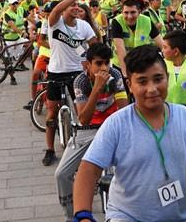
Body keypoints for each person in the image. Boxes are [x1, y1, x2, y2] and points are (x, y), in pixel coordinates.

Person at [72, 45, 186, 222]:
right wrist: (83, 216)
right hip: (128, 217)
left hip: (179, 216)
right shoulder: (116, 124)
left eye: (158, 79)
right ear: (130, 85)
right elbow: (88, 169)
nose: (152, 88)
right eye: (142, 81)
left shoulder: (185, 117)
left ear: (167, 78)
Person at [54, 43, 129, 221]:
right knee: (62, 174)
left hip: (112, 128)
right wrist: (96, 88)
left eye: (107, 63)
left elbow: (124, 109)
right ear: (88, 65)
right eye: (99, 63)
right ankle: (71, 216)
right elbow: (83, 119)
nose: (104, 68)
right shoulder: (81, 81)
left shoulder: (115, 75)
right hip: (87, 130)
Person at [43, 0, 98, 166]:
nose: (75, 8)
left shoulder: (83, 26)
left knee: (81, 112)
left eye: (77, 5)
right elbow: (57, 9)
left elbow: (94, 46)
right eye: (71, 5)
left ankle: (83, 145)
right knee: (52, 112)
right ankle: (49, 149)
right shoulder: (55, 23)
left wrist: (92, 65)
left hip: (77, 73)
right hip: (56, 72)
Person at [110, 0, 163, 79]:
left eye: (133, 12)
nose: (129, 16)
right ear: (122, 12)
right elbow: (121, 50)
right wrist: (125, 76)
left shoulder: (147, 20)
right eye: (126, 13)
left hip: (141, 65)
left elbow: (162, 44)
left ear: (139, 12)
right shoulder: (116, 22)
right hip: (121, 65)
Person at [23, 2, 53, 110]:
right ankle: (33, 98)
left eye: (50, 13)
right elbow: (41, 41)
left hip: (57, 55)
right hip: (45, 53)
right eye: (46, 14)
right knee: (36, 73)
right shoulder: (44, 22)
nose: (48, 16)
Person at [2, 0, 28, 85]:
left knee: (29, 45)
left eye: (16, 3)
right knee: (8, 59)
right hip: (8, 37)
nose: (15, 5)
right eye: (13, 4)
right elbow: (12, 26)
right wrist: (22, 33)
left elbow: (28, 18)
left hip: (17, 36)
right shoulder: (7, 13)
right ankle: (12, 78)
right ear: (10, 5)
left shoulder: (20, 10)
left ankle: (20, 63)